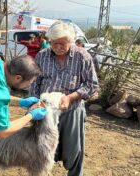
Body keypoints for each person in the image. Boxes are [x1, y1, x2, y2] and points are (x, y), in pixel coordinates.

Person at [29, 21, 99, 176]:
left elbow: (92, 84)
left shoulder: (82, 56)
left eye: (62, 43)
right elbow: (35, 82)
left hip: (71, 110)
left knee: (73, 149)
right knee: (43, 147)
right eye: (54, 43)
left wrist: (70, 98)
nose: (58, 47)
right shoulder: (42, 55)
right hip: (45, 111)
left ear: (71, 42)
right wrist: (34, 102)